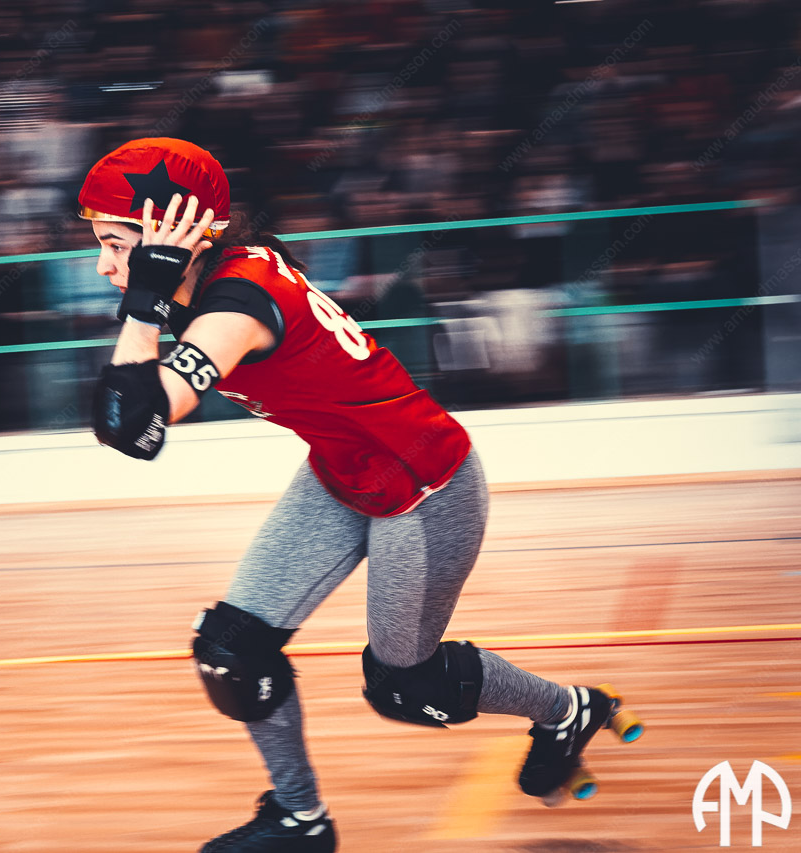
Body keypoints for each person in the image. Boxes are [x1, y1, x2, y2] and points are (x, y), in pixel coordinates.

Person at [79, 138, 636, 852]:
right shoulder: (220, 277)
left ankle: (566, 710)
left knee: (406, 687)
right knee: (231, 652)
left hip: (426, 485)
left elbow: (134, 430)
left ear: (174, 235)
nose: (103, 266)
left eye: (115, 245)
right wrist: (153, 285)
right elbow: (129, 417)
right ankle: (300, 819)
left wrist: (144, 303)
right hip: (344, 471)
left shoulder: (237, 303)